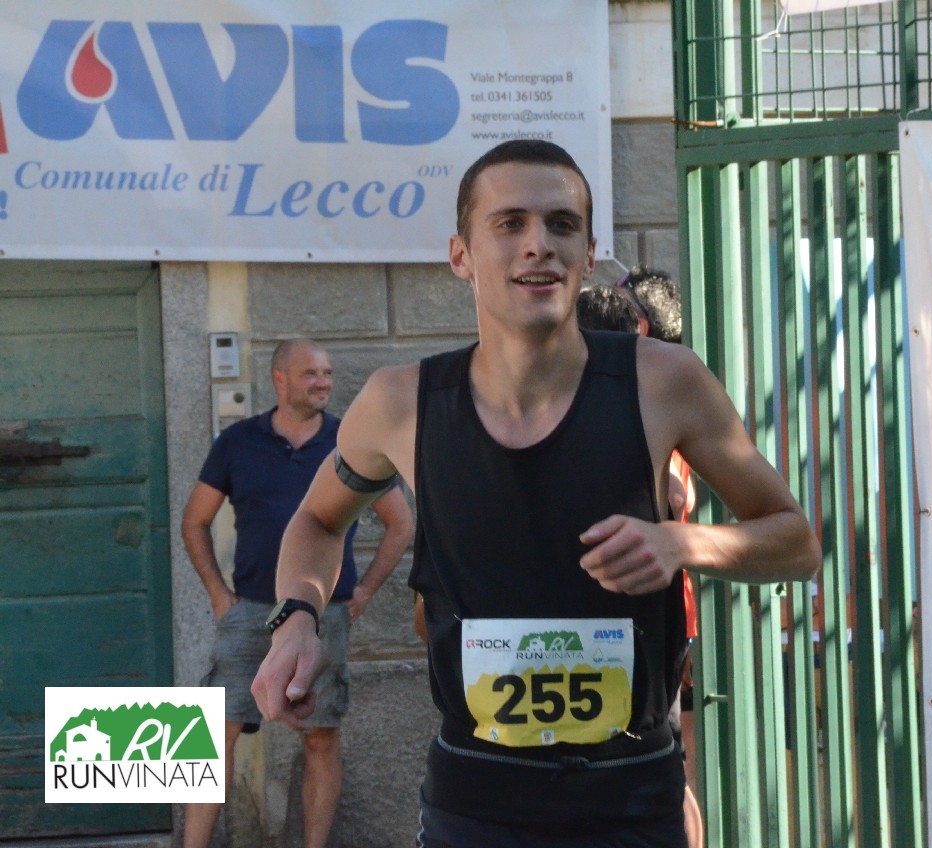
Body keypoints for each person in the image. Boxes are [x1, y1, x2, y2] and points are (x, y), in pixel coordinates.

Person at [251, 140, 821, 847]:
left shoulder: (663, 381)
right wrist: (296, 620)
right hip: (476, 804)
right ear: (460, 255)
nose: (538, 245)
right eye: (510, 223)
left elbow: (796, 541)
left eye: (561, 225)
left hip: (632, 797)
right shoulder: (403, 402)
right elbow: (316, 521)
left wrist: (682, 542)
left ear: (588, 253)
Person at [183, 338, 414, 848]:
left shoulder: (349, 442)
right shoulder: (237, 442)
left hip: (322, 616)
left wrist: (365, 590)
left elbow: (400, 523)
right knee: (214, 736)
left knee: (321, 739)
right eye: (312, 374)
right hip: (249, 613)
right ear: (280, 379)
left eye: (327, 373)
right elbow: (194, 520)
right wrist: (219, 595)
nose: (324, 383)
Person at [578, 274, 704, 848]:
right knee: (666, 767)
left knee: (666, 768)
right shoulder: (654, 404)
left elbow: (677, 498)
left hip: (651, 620)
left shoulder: (656, 406)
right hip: (647, 619)